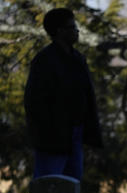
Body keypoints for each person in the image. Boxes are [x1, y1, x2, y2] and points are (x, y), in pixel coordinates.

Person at [24, 7, 102, 180]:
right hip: (52, 136)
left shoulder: (78, 59)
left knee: (72, 184)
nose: (76, 31)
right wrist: (46, 131)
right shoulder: (44, 61)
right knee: (49, 183)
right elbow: (34, 101)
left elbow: (86, 96)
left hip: (75, 132)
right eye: (72, 27)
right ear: (60, 31)